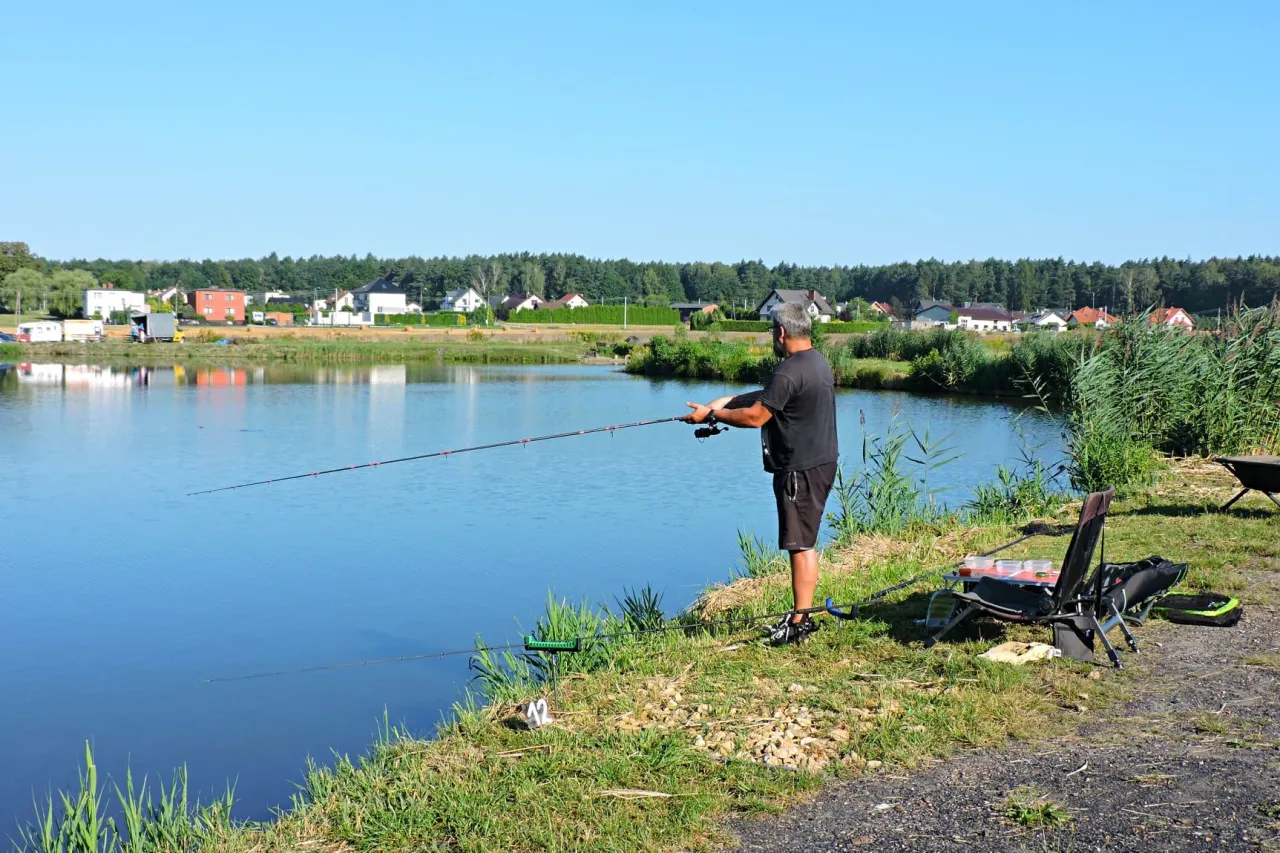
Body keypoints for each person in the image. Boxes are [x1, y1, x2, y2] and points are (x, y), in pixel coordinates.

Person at [682, 301, 839, 646]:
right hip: (821, 462)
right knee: (805, 542)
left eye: (772, 331)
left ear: (781, 332)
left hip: (799, 468)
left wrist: (713, 416)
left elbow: (756, 417)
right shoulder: (816, 362)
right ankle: (802, 615)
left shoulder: (788, 370)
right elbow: (769, 398)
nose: (772, 337)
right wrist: (722, 403)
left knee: (800, 546)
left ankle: (799, 621)